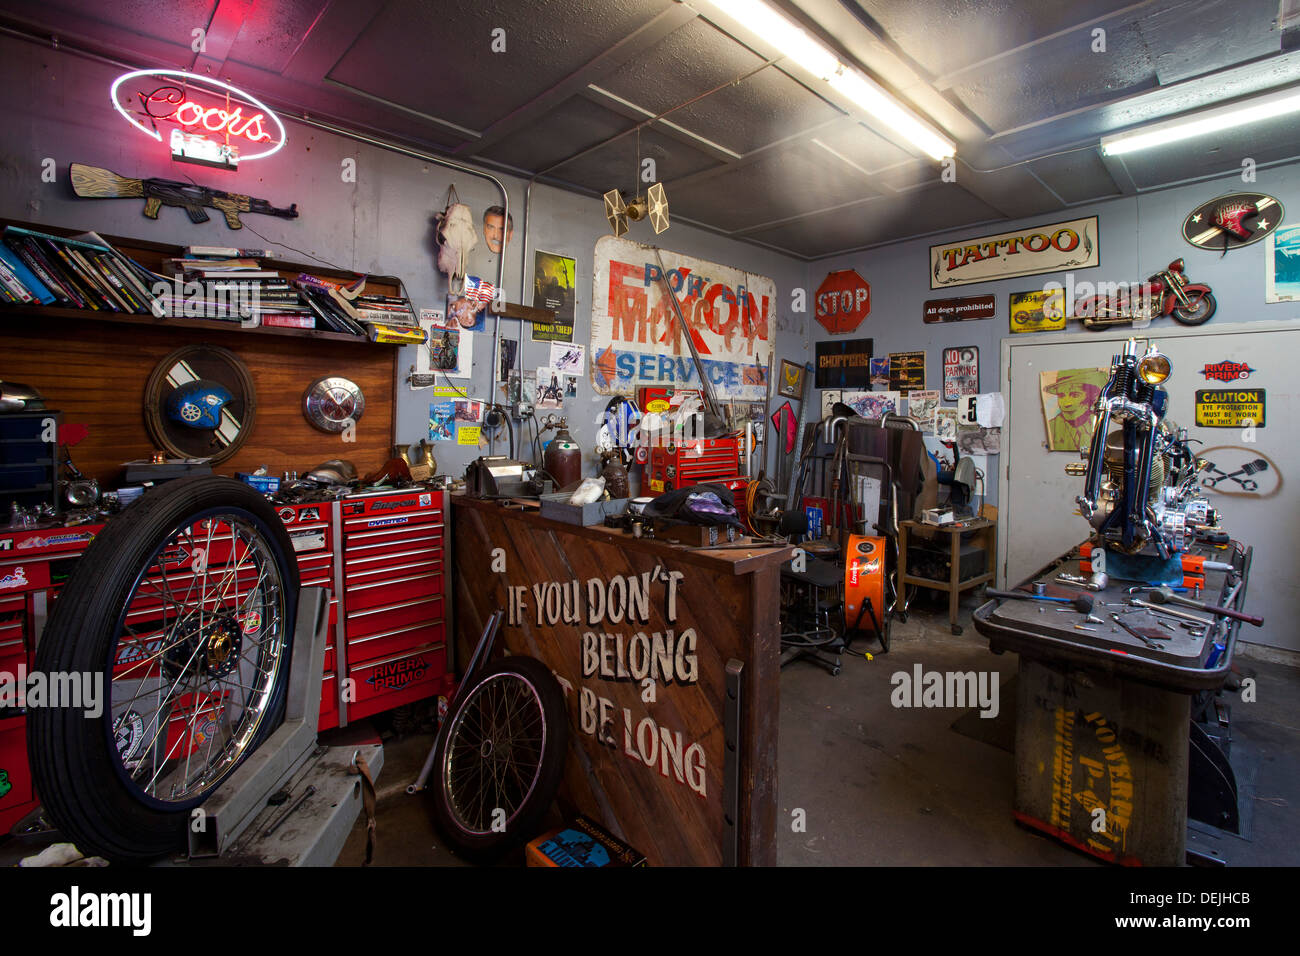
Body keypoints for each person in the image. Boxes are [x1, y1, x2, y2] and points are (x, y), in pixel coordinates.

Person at [1044, 369, 1103, 451]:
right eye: (1061, 396)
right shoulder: (1052, 427)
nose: (1067, 404)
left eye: (1075, 395)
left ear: (1092, 396)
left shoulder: (1103, 424)